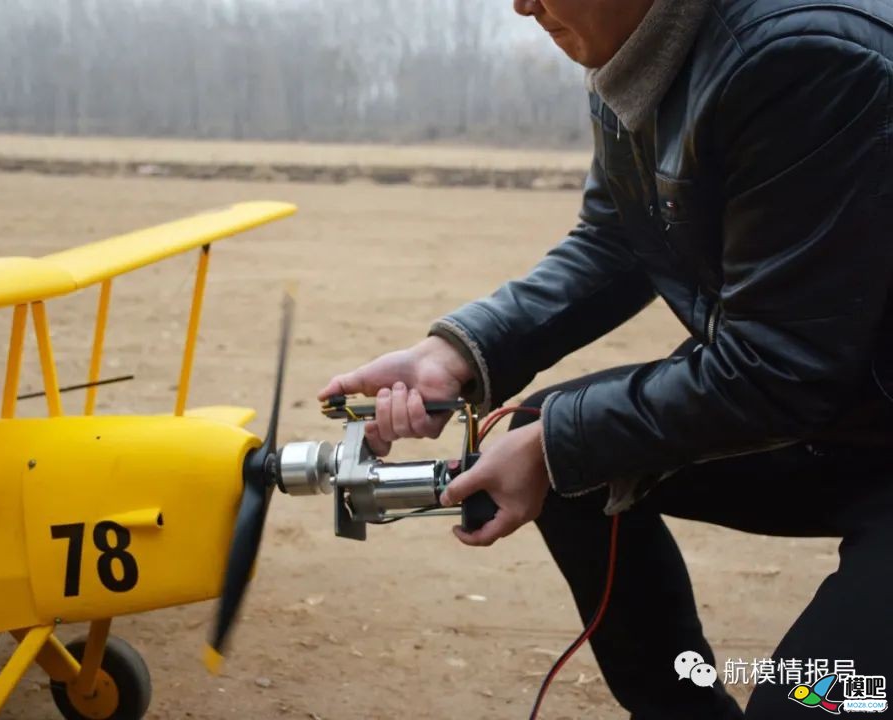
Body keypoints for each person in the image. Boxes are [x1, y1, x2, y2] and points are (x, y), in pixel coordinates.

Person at [319, 1, 893, 718]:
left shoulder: (802, 58)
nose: (522, 4)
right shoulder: (637, 56)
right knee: (565, 450)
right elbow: (618, 239)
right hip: (848, 412)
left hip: (840, 412)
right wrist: (457, 353)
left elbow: (781, 365)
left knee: (814, 703)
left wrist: (556, 443)